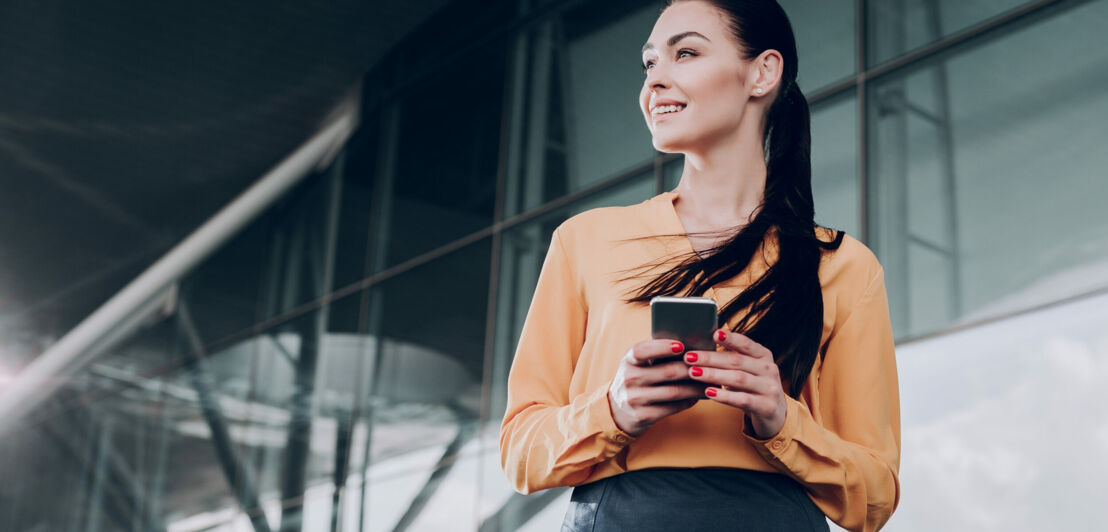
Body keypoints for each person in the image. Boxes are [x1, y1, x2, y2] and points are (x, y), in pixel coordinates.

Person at [498, 1, 900, 530]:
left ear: (762, 72)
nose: (655, 81)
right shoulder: (585, 240)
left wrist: (782, 419)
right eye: (649, 64)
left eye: (684, 53)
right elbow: (519, 454)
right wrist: (613, 409)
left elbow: (874, 498)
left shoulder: (844, 266)